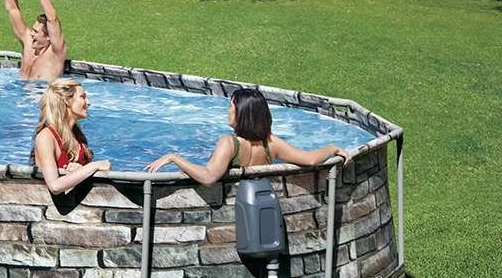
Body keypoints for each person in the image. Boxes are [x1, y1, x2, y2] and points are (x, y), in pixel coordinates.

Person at [144, 87, 353, 183]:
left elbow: (208, 177)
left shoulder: (229, 143)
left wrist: (174, 158)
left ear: (241, 113)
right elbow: (310, 159)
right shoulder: (270, 143)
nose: (228, 111)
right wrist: (333, 148)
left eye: (231, 107)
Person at [32, 78, 111, 194]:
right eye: (82, 97)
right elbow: (54, 186)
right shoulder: (46, 138)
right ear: (66, 101)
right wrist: (93, 166)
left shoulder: (77, 136)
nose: (88, 102)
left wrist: (79, 169)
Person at [2, 0, 66, 81]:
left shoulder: (56, 53)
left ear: (49, 37)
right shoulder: (28, 44)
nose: (31, 34)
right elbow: (12, 9)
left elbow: (52, 18)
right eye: (33, 30)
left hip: (44, 94)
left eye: (36, 32)